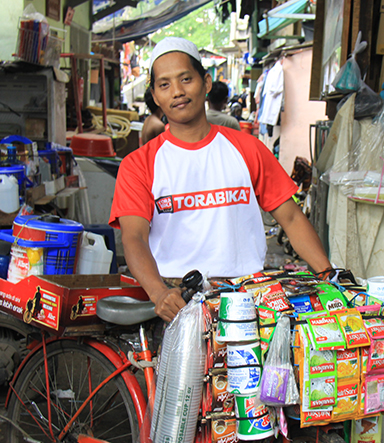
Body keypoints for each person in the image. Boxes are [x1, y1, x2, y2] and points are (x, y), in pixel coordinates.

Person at [109, 37, 332, 321]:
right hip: (176, 299)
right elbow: (134, 237)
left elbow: (290, 218)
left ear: (206, 83)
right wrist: (158, 293)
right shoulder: (139, 164)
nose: (177, 91)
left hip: (249, 298)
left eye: (186, 79)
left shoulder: (248, 149)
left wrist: (330, 277)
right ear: (154, 96)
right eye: (164, 85)